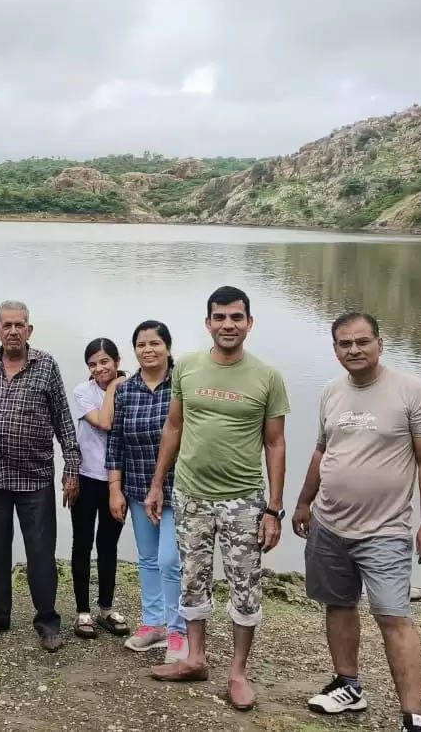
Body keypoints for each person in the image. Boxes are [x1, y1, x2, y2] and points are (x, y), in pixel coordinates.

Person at [292, 313, 421, 732]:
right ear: (335, 349)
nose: (354, 350)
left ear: (380, 343)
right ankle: (348, 685)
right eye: (345, 344)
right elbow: (323, 452)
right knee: (338, 605)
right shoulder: (330, 392)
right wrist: (303, 503)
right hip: (328, 524)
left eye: (362, 341)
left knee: (394, 616)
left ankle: (414, 717)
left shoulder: (412, 392)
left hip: (385, 530)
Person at [146, 286, 288, 710]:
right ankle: (195, 659)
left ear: (249, 322)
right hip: (190, 495)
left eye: (236, 317)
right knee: (192, 578)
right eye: (220, 317)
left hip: (243, 499)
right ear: (208, 322)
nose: (228, 325)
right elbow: (174, 427)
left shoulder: (267, 377)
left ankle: (238, 673)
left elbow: (276, 444)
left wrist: (273, 509)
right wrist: (158, 484)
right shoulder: (186, 367)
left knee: (245, 585)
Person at [0, 300, 81, 652]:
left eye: (20, 325)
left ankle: (47, 620)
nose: (13, 331)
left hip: (35, 479)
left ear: (30, 330)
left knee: (40, 551)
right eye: (7, 325)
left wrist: (71, 470)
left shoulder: (46, 366)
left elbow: (64, 422)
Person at [107, 320, 188, 663]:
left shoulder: (182, 385)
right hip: (138, 487)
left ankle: (179, 630)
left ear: (168, 347)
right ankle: (153, 624)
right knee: (147, 559)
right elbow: (116, 441)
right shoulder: (126, 390)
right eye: (141, 344)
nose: (148, 350)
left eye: (155, 343)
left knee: (172, 561)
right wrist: (115, 489)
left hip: (178, 488)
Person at [68, 338, 128, 640]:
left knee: (108, 545)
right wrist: (115, 387)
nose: (99, 368)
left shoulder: (134, 390)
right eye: (93, 364)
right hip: (87, 477)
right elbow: (104, 422)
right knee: (82, 544)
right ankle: (82, 611)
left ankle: (105, 608)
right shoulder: (83, 391)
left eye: (104, 361)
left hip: (119, 482)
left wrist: (119, 387)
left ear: (116, 361)